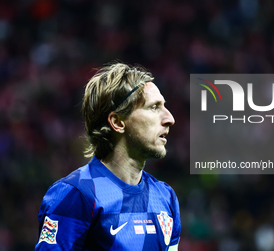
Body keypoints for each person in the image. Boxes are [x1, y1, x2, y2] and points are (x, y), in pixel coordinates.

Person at [35, 62, 181, 251]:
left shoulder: (165, 197)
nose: (169, 118)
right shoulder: (76, 195)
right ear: (118, 122)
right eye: (153, 107)